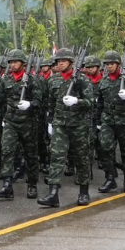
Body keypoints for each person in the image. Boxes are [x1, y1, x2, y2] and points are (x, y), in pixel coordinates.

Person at [38, 48, 93, 208]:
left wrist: (77, 101)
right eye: (57, 61)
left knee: (81, 158)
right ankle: (53, 194)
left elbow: (91, 102)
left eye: (63, 61)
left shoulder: (82, 80)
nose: (59, 63)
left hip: (79, 126)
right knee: (56, 157)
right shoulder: (53, 80)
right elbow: (51, 103)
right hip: (60, 124)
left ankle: (84, 192)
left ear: (70, 62)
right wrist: (50, 122)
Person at [0, 49, 40, 200]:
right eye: (10, 62)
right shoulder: (6, 79)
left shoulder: (33, 80)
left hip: (28, 122)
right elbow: (0, 97)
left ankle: (32, 184)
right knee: (7, 151)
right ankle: (7, 186)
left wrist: (30, 104)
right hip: (10, 121)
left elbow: (40, 102)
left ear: (23, 64)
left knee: (30, 154)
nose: (12, 65)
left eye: (15, 62)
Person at [94, 51, 125, 194]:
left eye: (111, 64)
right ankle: (110, 178)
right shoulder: (104, 80)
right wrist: (98, 120)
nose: (109, 66)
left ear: (118, 64)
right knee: (105, 148)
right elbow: (100, 103)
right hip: (108, 120)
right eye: (107, 64)